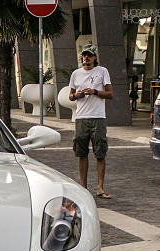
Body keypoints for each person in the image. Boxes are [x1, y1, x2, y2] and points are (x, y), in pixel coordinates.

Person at [69, 44, 114, 199]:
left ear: (94, 57)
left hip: (98, 117)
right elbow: (70, 95)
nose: (86, 57)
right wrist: (77, 96)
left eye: (89, 55)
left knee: (100, 152)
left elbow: (110, 94)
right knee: (81, 153)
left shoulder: (102, 71)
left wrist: (95, 92)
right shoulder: (76, 74)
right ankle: (83, 187)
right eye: (84, 55)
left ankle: (100, 187)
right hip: (81, 118)